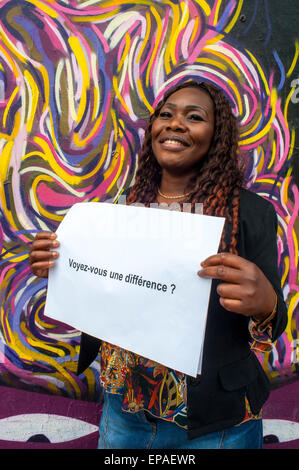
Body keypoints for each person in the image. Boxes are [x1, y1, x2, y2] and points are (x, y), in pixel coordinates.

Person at [29, 80, 287, 449]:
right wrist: (57, 266)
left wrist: (266, 303)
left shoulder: (250, 214)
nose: (175, 123)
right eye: (166, 114)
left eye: (194, 117)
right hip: (124, 415)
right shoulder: (118, 208)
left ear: (218, 135)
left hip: (216, 423)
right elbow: (104, 288)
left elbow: (270, 327)